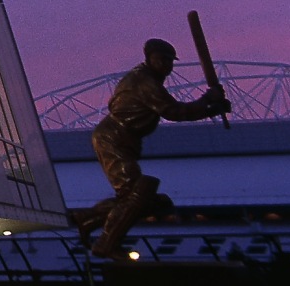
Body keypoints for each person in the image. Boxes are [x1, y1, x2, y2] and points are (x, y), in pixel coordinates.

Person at [77, 38, 228, 259]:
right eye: (161, 60)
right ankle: (106, 243)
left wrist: (211, 108)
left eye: (170, 61)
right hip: (114, 138)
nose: (166, 66)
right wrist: (208, 102)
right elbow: (174, 112)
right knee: (139, 192)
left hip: (123, 139)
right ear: (149, 58)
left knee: (152, 201)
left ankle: (89, 219)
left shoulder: (145, 79)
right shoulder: (144, 81)